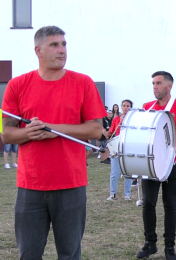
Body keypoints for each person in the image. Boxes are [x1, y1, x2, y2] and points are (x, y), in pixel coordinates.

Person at [1, 26, 105, 259]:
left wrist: (54, 130)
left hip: (71, 184)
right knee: (28, 254)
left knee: (69, 254)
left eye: (64, 44)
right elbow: (6, 134)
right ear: (38, 50)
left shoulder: (83, 83)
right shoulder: (17, 85)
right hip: (30, 186)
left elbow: (97, 130)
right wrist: (30, 132)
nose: (62, 50)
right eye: (54, 45)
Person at [137, 71, 176, 260]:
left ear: (169, 86)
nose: (154, 86)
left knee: (170, 205)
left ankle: (169, 247)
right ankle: (150, 243)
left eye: (158, 83)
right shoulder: (148, 107)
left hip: (173, 163)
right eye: (153, 83)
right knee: (148, 203)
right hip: (150, 164)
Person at [106, 100, 134, 201]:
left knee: (128, 171)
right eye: (124, 106)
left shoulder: (133, 120)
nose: (126, 108)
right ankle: (112, 194)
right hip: (117, 146)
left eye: (128, 106)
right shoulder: (116, 119)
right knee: (114, 172)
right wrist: (105, 134)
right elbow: (110, 132)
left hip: (128, 146)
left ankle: (127, 194)